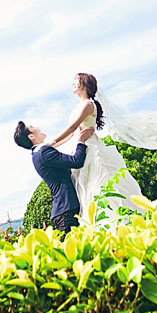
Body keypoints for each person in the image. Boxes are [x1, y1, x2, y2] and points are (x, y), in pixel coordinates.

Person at [45, 73, 145, 223]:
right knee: (89, 190)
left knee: (100, 185)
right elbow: (72, 134)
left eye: (75, 81)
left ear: (84, 84)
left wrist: (51, 142)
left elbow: (72, 127)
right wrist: (50, 147)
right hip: (81, 147)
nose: (72, 84)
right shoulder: (80, 105)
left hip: (92, 150)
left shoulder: (88, 104)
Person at [13, 120, 94, 233]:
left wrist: (75, 131)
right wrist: (81, 140)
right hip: (67, 210)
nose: (37, 126)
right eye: (32, 126)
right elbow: (76, 161)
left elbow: (56, 142)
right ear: (31, 136)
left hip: (64, 210)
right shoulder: (44, 153)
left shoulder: (38, 153)